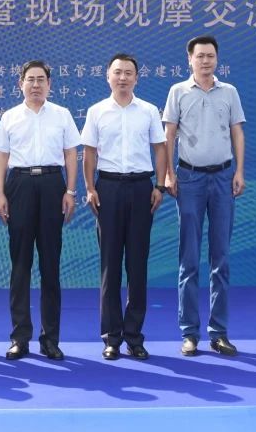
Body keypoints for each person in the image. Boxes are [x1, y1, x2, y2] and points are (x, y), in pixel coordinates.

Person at [162, 34, 245, 357]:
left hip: (223, 177)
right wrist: (168, 174)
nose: (206, 61)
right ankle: (189, 333)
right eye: (200, 56)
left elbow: (237, 131)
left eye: (210, 56)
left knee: (220, 258)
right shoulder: (178, 92)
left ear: (217, 59)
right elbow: (169, 134)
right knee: (189, 258)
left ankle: (219, 332)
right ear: (190, 60)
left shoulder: (230, 92)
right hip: (190, 178)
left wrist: (239, 171)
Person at [81, 53, 167, 361]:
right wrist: (90, 188)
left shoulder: (148, 111)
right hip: (108, 188)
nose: (122, 77)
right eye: (117, 72)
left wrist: (160, 185)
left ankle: (134, 336)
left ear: (136, 78)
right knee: (110, 265)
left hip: (142, 187)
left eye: (128, 73)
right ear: (108, 76)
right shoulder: (97, 111)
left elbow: (160, 149)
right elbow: (89, 152)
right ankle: (111, 337)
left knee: (137, 264)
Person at [0, 61, 80, 361]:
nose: (35, 85)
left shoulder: (62, 114)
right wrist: (0, 192)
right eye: (30, 80)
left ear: (49, 84)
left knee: (50, 265)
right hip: (19, 185)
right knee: (20, 265)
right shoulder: (10, 117)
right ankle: (20, 337)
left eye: (41, 79)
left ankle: (50, 339)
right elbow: (0, 156)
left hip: (53, 184)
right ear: (20, 84)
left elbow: (71, 153)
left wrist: (70, 191)